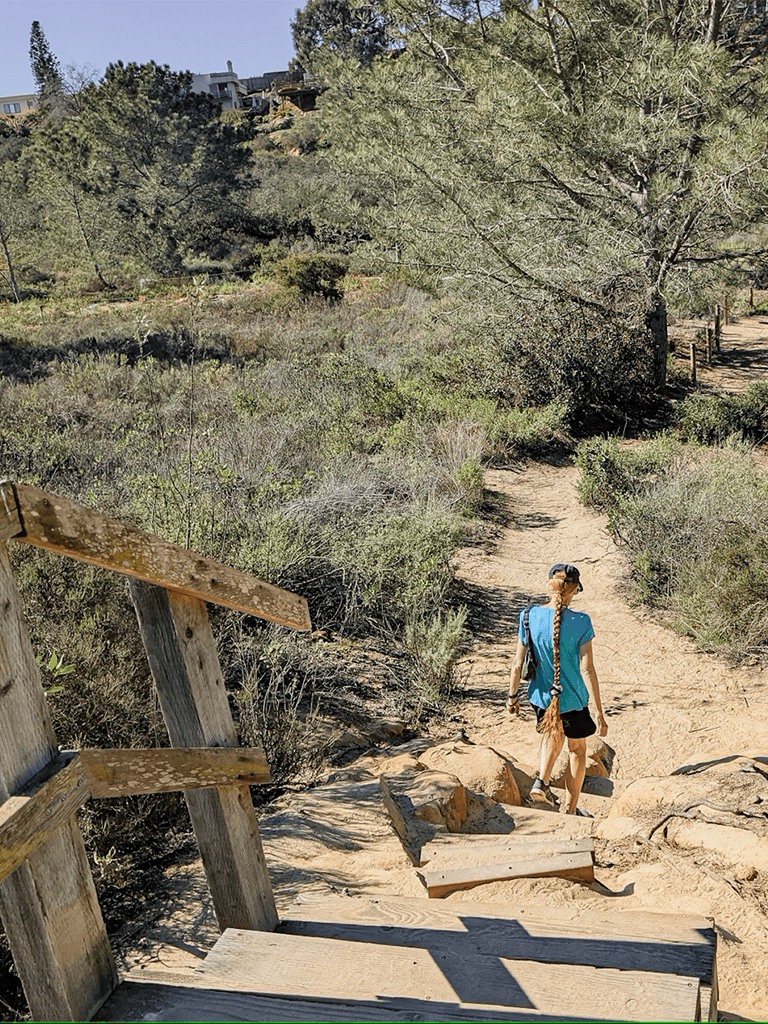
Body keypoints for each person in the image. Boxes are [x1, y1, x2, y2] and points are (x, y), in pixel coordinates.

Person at [507, 563, 607, 815]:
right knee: (577, 751)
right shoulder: (582, 621)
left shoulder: (527, 616)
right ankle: (571, 810)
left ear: (550, 587)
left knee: (551, 734)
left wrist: (511, 696)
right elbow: (588, 670)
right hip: (573, 699)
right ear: (574, 590)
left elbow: (517, 663)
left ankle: (542, 782)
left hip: (541, 697)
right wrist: (599, 712)